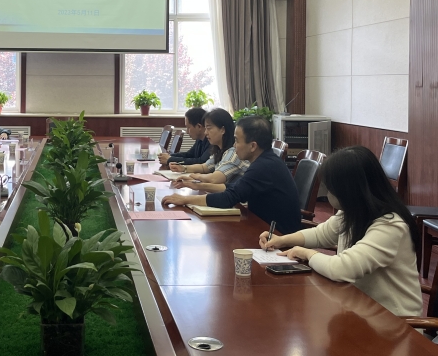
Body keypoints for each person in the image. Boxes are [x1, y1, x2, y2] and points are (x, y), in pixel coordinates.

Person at [258, 146, 422, 317]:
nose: (329, 194)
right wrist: (282, 240)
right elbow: (320, 234)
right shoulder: (353, 213)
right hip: (361, 309)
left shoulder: (390, 226)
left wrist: (307, 253)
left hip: (396, 322)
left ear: (349, 190)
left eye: (331, 189)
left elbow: (341, 269)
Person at [162, 116, 301, 234]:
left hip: (278, 237)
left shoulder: (263, 167)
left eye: (237, 141)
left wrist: (185, 199)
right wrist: (197, 185)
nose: (234, 146)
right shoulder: (266, 160)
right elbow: (235, 187)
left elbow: (228, 198)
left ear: (253, 146)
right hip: (264, 228)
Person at [170, 108, 249, 194]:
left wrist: (195, 177)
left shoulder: (234, 153)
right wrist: (183, 168)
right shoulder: (220, 150)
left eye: (209, 128)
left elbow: (214, 179)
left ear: (222, 130)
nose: (205, 133)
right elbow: (204, 167)